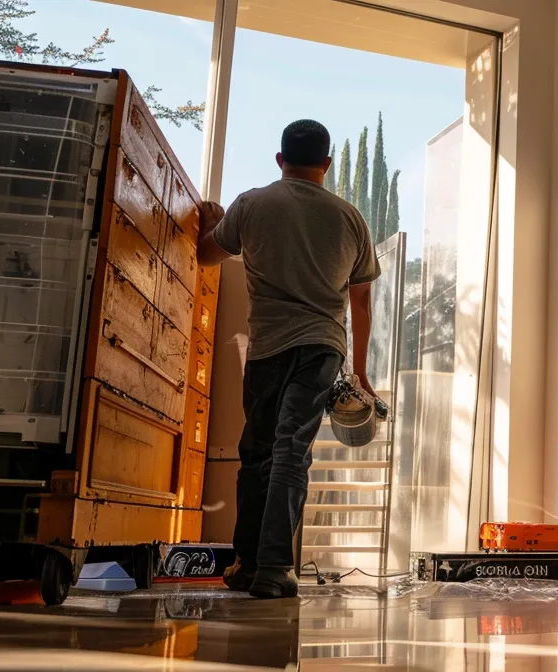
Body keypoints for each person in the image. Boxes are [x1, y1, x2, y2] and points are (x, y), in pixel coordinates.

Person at [197, 119, 379, 599]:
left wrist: (213, 221)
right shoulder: (349, 218)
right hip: (322, 347)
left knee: (255, 453)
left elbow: (206, 255)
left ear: (280, 160)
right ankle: (275, 566)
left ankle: (249, 563)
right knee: (291, 449)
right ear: (326, 163)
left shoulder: (252, 203)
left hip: (266, 349)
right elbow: (360, 304)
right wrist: (359, 372)